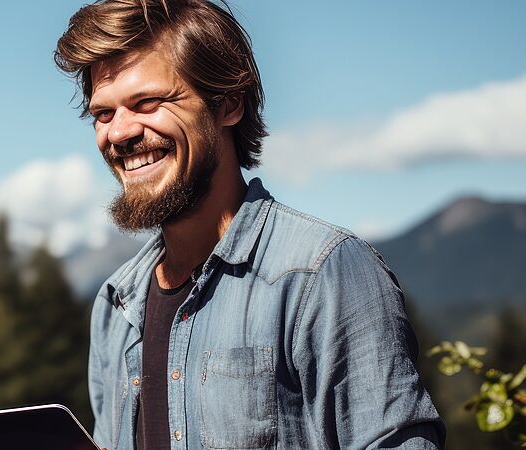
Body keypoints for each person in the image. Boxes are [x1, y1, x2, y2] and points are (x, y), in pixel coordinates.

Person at [53, 1, 446, 449]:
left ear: (228, 105)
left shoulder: (321, 275)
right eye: (103, 114)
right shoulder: (116, 305)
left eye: (148, 102)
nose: (119, 132)